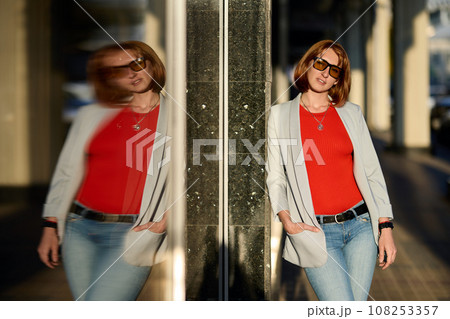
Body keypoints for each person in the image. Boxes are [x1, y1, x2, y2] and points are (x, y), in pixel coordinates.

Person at [37, 41, 170, 301]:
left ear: (152, 63)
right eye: (119, 70)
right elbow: (66, 171)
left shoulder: (178, 118)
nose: (131, 73)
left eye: (137, 64)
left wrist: (167, 220)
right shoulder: (92, 115)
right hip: (79, 229)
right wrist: (50, 224)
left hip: (133, 232)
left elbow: (196, 177)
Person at [266, 40, 397, 301]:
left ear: (338, 80)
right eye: (321, 64)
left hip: (361, 226)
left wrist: (386, 227)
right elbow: (276, 176)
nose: (325, 73)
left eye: (334, 70)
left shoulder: (351, 113)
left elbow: (372, 173)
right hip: (316, 231)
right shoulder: (279, 116)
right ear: (307, 65)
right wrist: (287, 221)